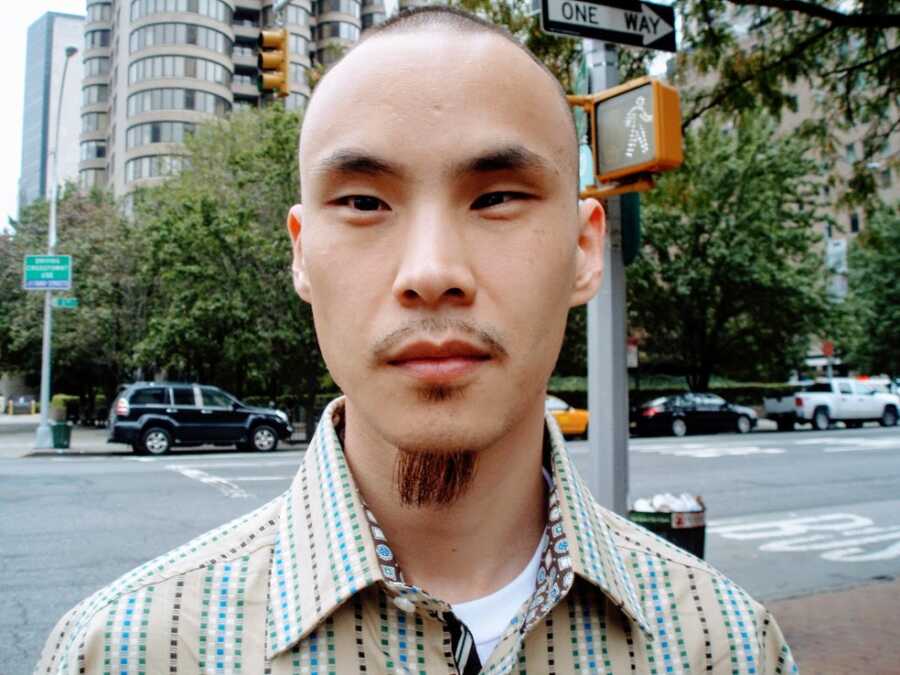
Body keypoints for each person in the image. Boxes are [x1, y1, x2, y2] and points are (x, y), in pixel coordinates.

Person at [37, 6, 796, 674]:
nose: (431, 271)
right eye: (364, 201)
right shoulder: (117, 651)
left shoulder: (724, 645)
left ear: (585, 250)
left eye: (497, 197)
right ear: (302, 254)